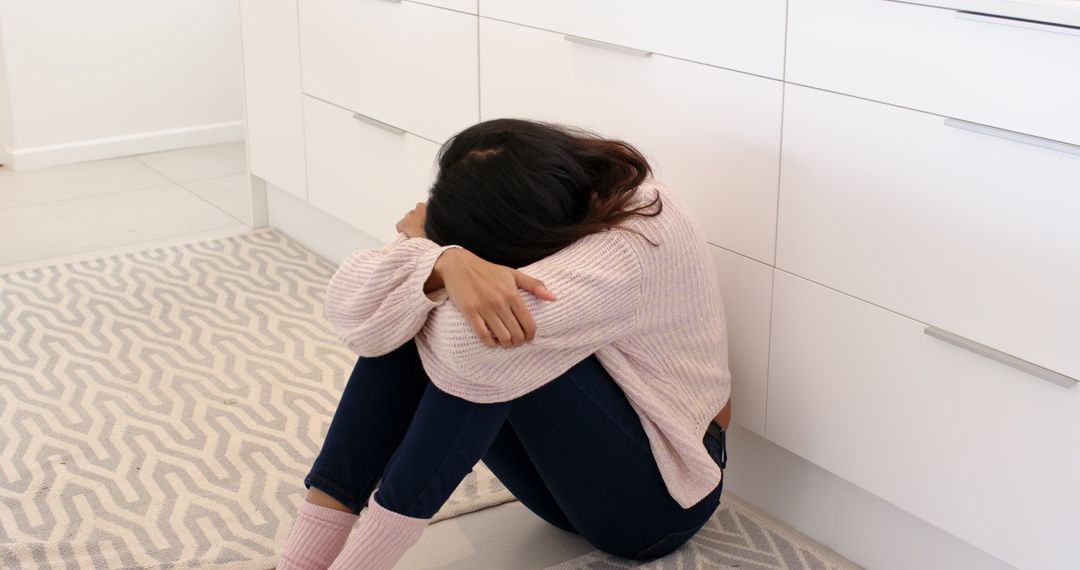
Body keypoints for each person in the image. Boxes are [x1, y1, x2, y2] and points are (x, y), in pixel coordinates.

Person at [277, 119, 732, 570]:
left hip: (660, 502)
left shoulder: (636, 235)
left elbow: (468, 343)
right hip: (565, 487)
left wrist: (429, 258)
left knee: (492, 336)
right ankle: (302, 563)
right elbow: (355, 309)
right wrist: (444, 263)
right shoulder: (540, 199)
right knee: (409, 306)